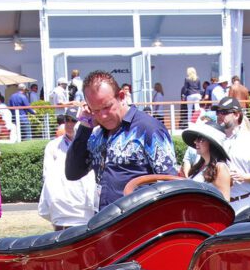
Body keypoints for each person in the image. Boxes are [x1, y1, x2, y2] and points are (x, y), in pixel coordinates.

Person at [67, 71, 179, 210]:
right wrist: (85, 126)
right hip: (106, 224)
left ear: (121, 96)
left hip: (139, 223)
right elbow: (72, 173)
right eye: (95, 110)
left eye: (107, 107)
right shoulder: (98, 135)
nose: (103, 115)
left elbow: (170, 183)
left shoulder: (148, 129)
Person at [210, 97, 250, 211]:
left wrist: (244, 177)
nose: (219, 116)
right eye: (218, 112)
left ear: (236, 115)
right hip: (220, 203)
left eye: (224, 112)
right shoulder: (213, 141)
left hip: (247, 202)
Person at [39, 114, 97, 230]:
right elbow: (48, 176)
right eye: (67, 120)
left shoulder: (91, 143)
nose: (70, 124)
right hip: (60, 211)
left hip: (84, 212)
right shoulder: (53, 146)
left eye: (73, 121)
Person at [182, 119, 233, 201]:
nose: (195, 142)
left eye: (200, 139)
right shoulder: (200, 166)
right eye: (196, 138)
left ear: (212, 143)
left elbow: (224, 202)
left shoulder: (220, 168)